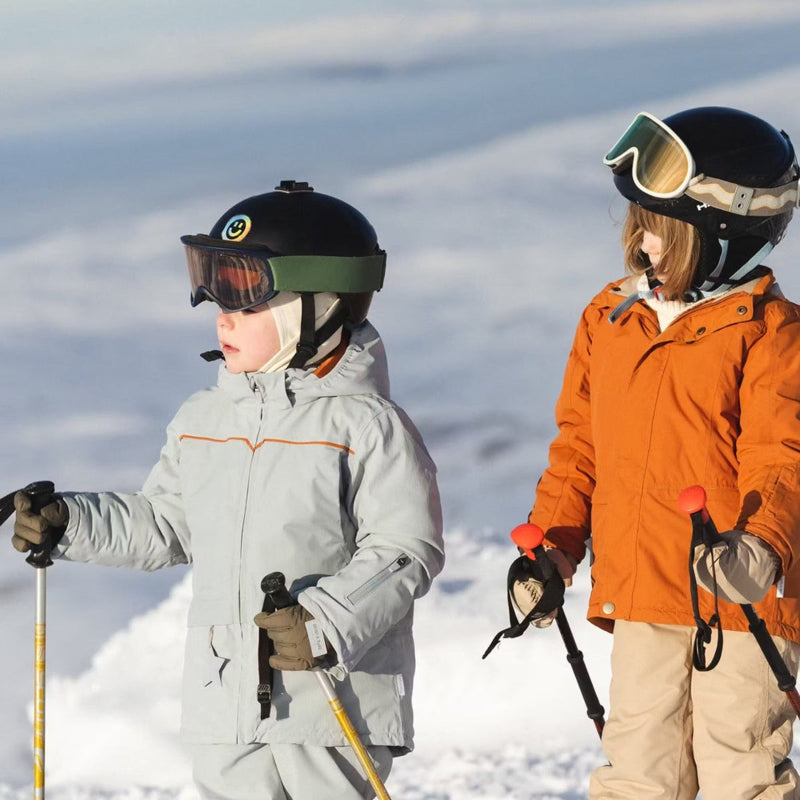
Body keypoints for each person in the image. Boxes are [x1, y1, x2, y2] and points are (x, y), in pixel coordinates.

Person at [12, 180, 445, 800]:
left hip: (328, 695)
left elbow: (407, 549)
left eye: (245, 305)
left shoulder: (367, 425)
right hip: (225, 698)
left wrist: (324, 622)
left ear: (319, 306)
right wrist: (71, 522)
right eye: (216, 297)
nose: (222, 317)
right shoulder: (203, 419)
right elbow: (168, 523)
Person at [518, 107, 800, 800]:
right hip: (642, 593)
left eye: (662, 230)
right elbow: (579, 448)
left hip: (739, 601)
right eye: (637, 224)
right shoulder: (611, 320)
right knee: (639, 772)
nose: (642, 244)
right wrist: (552, 550)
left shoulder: (771, 335)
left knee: (742, 769)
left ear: (724, 236)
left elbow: (783, 456)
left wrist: (760, 546)